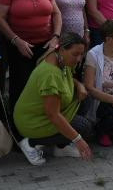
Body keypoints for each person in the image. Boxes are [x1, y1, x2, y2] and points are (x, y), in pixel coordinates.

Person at [0, 0, 63, 113]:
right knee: (21, 87)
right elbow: (0, 17)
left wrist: (55, 37)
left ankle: (41, 121)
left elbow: (56, 13)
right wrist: (16, 40)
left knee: (44, 86)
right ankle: (18, 124)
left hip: (46, 46)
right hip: (20, 48)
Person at [14, 32, 94, 165]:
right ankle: (30, 142)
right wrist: (78, 140)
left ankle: (61, 147)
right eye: (75, 54)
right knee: (83, 126)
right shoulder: (50, 74)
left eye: (81, 54)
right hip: (33, 122)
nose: (79, 59)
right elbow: (53, 115)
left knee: (86, 98)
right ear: (61, 49)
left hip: (48, 113)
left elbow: (68, 79)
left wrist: (79, 85)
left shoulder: (60, 59)